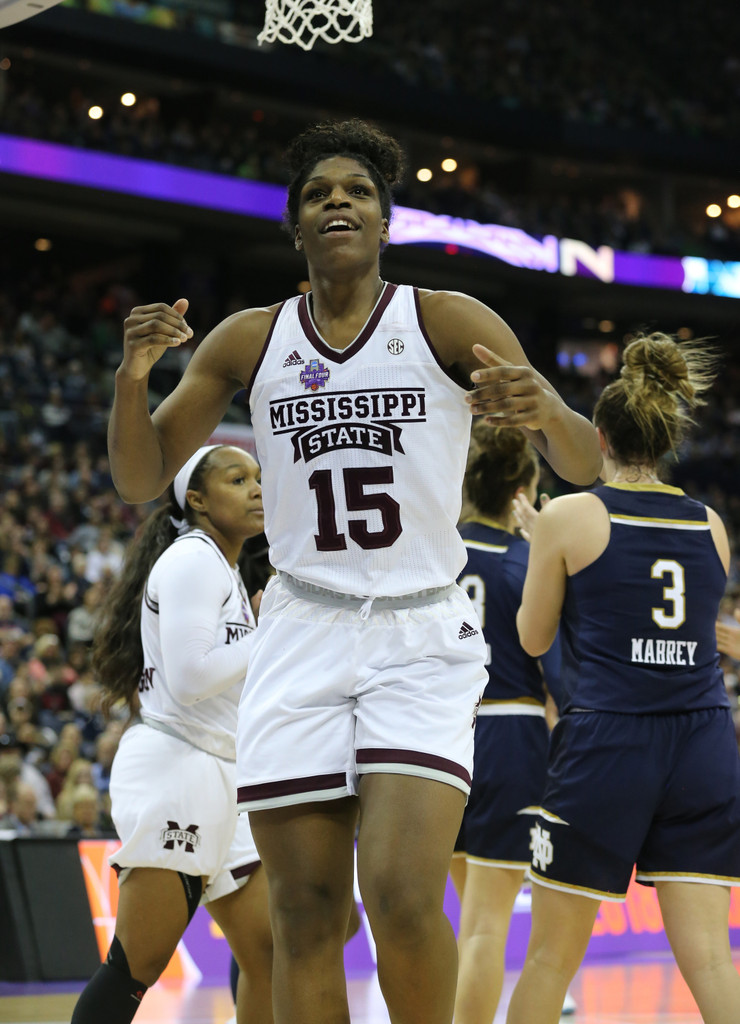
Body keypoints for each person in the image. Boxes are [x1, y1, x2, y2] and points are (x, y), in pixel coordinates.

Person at [106, 119, 601, 1024]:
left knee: (403, 895)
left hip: (418, 630)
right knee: (303, 913)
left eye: (359, 192)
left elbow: (584, 461)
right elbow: (140, 477)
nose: (338, 200)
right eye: (318, 193)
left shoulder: (445, 319)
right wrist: (133, 377)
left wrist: (552, 408)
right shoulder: (249, 340)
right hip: (301, 626)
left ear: (385, 223)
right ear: (295, 226)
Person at [506, 332, 740, 1024]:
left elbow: (533, 638)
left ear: (599, 436)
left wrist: (540, 551)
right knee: (709, 956)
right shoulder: (712, 523)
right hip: (703, 740)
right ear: (668, 438)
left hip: (608, 740)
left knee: (552, 957)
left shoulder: (569, 514)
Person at [70, 444, 274, 1024]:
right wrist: (268, 635)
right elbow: (189, 681)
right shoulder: (194, 560)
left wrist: (257, 632)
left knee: (268, 952)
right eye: (238, 479)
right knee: (137, 965)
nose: (257, 489)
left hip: (221, 770)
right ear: (198, 500)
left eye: (258, 478)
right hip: (177, 769)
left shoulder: (224, 566)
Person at [450, 423, 569, 1024]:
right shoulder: (528, 560)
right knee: (485, 928)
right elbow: (560, 671)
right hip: (509, 734)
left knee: (457, 918)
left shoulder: (434, 556)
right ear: (524, 490)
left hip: (436, 739)